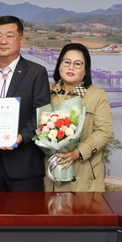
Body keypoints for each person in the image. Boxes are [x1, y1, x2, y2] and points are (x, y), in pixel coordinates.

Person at [0, 15, 50, 191]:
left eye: (9, 35)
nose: (3, 41)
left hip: (25, 166)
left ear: (21, 39)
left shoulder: (36, 72)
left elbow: (42, 115)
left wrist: (21, 137)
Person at [45, 43, 113, 192]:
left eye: (77, 64)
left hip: (84, 177)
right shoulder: (45, 91)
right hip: (50, 175)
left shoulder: (97, 95)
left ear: (85, 70)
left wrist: (78, 152)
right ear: (59, 65)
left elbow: (104, 131)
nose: (71, 67)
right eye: (66, 62)